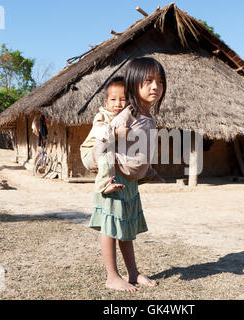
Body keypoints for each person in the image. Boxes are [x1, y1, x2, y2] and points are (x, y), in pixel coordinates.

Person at [89, 57, 165, 292]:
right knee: (110, 228)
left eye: (160, 82)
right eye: (148, 81)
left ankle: (132, 272)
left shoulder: (147, 117)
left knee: (126, 229)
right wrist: (116, 139)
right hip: (115, 180)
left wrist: (150, 172)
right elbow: (98, 150)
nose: (155, 86)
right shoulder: (125, 116)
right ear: (133, 85)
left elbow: (141, 152)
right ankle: (112, 276)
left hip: (130, 181)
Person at [80, 76, 127, 194]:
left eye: (123, 99)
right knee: (109, 149)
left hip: (102, 156)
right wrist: (116, 133)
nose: (118, 103)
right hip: (89, 152)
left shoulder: (124, 117)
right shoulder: (101, 116)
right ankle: (103, 186)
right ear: (106, 102)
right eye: (113, 99)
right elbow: (101, 134)